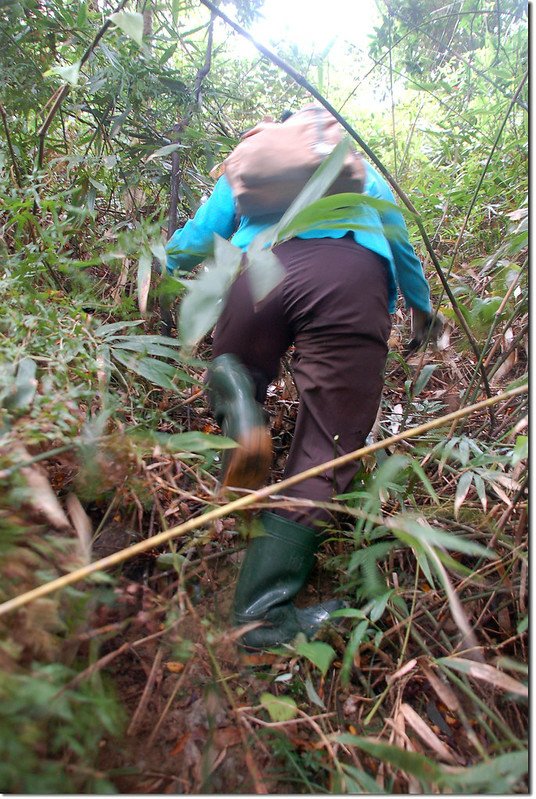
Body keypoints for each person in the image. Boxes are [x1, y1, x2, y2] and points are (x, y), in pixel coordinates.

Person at [166, 109, 438, 650]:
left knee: (240, 367)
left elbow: (200, 235)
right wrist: (421, 306)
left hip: (258, 271)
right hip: (349, 277)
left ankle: (238, 394)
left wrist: (165, 263)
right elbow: (400, 239)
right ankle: (261, 614)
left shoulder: (253, 164)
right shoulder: (356, 170)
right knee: (325, 445)